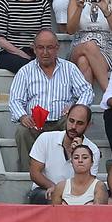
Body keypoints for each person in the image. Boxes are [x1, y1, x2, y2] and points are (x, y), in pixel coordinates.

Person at [8, 29, 94, 165]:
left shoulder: (69, 68)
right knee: (22, 131)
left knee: (74, 124)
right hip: (35, 123)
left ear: (57, 48)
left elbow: (87, 91)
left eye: (49, 47)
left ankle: (70, 169)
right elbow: (15, 100)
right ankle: (29, 174)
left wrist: (76, 109)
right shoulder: (25, 71)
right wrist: (23, 117)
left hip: (62, 121)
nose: (45, 52)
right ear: (34, 49)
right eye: (41, 48)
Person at [29, 104, 101, 203]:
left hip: (77, 194)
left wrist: (77, 153)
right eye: (71, 121)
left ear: (88, 126)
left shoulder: (93, 150)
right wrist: (54, 187)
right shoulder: (45, 138)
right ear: (66, 119)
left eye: (80, 123)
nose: (73, 126)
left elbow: (88, 183)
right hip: (46, 189)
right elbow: (34, 173)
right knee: (54, 198)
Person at [0, 0, 52, 73]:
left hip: (36, 51)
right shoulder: (5, 4)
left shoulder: (43, 4)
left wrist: (36, 47)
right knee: (30, 67)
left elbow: (46, 33)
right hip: (11, 53)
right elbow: (0, 39)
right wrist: (24, 55)